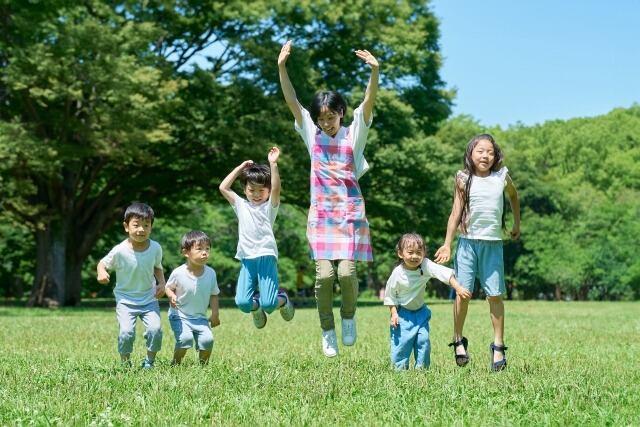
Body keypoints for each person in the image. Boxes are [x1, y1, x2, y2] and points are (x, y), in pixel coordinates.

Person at [278, 40, 378, 357]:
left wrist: (375, 72)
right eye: (321, 118)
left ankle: (348, 317)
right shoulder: (312, 133)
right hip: (321, 216)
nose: (326, 123)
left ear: (340, 113)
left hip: (349, 215)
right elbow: (292, 100)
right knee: (324, 276)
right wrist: (281, 67)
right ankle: (327, 329)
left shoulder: (354, 133)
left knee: (346, 273)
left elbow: (369, 102)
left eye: (331, 117)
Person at [434, 134, 521, 371]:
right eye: (480, 151)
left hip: (493, 244)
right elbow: (455, 213)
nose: (485, 155)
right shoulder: (464, 178)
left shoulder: (501, 177)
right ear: (471, 153)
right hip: (467, 243)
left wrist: (516, 224)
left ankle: (499, 346)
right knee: (463, 293)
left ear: (496, 156)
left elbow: (514, 196)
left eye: (490, 152)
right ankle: (458, 339)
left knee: (495, 295)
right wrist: (447, 243)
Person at [219, 147, 294, 328]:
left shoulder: (270, 207)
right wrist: (240, 168)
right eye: (251, 190)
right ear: (245, 190)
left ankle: (282, 299)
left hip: (266, 255)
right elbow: (223, 187)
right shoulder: (240, 205)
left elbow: (276, 187)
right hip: (247, 258)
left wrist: (273, 164)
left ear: (268, 192)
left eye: (262, 190)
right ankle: (255, 309)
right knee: (243, 303)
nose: (256, 194)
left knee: (270, 304)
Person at [384, 233, 471, 370]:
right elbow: (390, 295)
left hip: (421, 313)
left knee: (423, 341)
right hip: (402, 315)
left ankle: (422, 370)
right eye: (410, 252)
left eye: (419, 252)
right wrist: (394, 313)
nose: (415, 256)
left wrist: (458, 288)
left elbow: (443, 274)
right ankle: (399, 372)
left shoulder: (425, 265)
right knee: (402, 344)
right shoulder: (397, 273)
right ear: (400, 254)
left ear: (424, 253)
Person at [97, 202, 165, 369]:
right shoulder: (120, 250)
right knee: (126, 332)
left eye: (146, 225)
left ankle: (149, 361)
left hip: (149, 299)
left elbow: (157, 267)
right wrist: (101, 272)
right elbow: (102, 263)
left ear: (151, 227)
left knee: (155, 330)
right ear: (126, 226)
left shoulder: (155, 248)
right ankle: (125, 363)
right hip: (125, 300)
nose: (141, 229)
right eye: (136, 225)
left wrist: (162, 283)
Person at [165, 231, 220, 366]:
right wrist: (171, 295)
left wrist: (215, 314)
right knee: (185, 339)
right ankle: (176, 364)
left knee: (207, 341)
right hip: (180, 315)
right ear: (186, 252)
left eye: (207, 249)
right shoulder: (178, 273)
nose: (204, 252)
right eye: (199, 249)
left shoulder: (211, 273)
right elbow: (168, 287)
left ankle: (203, 366)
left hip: (200, 318)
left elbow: (214, 294)